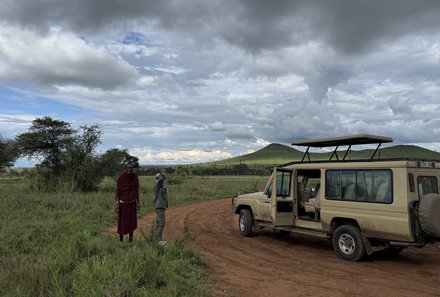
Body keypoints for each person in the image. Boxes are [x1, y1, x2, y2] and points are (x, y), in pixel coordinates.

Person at [115, 163, 140, 242]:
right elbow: (118, 190)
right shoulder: (122, 178)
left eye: (131, 168)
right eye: (128, 168)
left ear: (133, 168)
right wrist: (116, 204)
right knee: (122, 221)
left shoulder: (135, 177)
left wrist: (138, 203)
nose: (129, 169)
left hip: (132, 203)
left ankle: (131, 239)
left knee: (131, 221)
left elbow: (136, 191)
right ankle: (121, 239)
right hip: (123, 203)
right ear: (126, 168)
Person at [153, 172, 168, 245]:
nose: (163, 180)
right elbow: (160, 179)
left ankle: (158, 240)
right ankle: (157, 239)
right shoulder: (156, 186)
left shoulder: (161, 187)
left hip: (160, 207)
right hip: (159, 207)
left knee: (158, 224)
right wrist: (159, 175)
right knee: (162, 224)